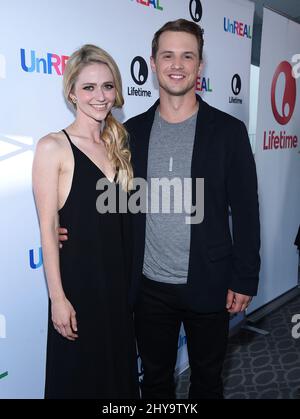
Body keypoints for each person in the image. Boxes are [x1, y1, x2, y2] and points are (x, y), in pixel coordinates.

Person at [60, 19, 260, 399]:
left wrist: (245, 278)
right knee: (154, 385)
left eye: (188, 56)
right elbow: (107, 200)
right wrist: (59, 224)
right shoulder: (128, 133)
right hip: (147, 288)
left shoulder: (228, 132)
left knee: (207, 382)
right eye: (167, 55)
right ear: (153, 62)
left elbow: (247, 212)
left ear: (200, 66)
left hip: (210, 283)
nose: (177, 64)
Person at [33, 44, 139, 399]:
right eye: (89, 87)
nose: (100, 96)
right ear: (72, 92)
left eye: (107, 86)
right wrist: (57, 299)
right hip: (80, 289)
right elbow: (48, 229)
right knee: (81, 381)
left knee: (117, 381)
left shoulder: (119, 143)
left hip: (119, 290)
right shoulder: (53, 147)